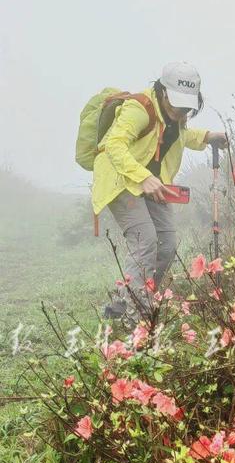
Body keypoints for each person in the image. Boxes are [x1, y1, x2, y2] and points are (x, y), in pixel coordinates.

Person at [91, 61, 226, 321]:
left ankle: (124, 301)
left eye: (187, 105)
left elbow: (180, 136)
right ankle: (137, 317)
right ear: (163, 92)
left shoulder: (176, 117)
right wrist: (142, 178)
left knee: (166, 245)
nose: (181, 110)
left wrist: (208, 136)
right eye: (177, 103)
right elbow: (115, 146)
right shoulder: (139, 109)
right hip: (120, 179)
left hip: (153, 180)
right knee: (145, 240)